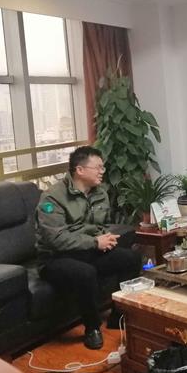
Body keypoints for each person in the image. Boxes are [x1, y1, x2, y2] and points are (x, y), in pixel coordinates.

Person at [36, 146, 141, 350]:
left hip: (88, 251)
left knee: (131, 258)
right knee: (86, 272)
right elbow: (55, 239)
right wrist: (94, 242)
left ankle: (118, 315)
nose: (102, 171)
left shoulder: (100, 193)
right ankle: (92, 328)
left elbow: (101, 224)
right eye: (98, 167)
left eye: (103, 167)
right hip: (55, 258)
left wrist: (104, 238)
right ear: (80, 170)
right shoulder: (52, 198)